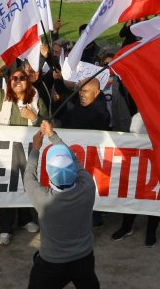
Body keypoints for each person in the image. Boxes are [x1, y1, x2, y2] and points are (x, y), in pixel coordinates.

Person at [0, 65, 48, 245]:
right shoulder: (2, 97)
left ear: (28, 81)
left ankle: (25, 219)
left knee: (26, 186)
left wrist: (34, 117)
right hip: (6, 155)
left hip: (28, 153)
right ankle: (5, 228)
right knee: (7, 189)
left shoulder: (37, 100)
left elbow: (49, 122)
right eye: (13, 78)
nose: (17, 81)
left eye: (21, 78)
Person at [24, 120, 99, 289]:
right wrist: (52, 135)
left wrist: (36, 147)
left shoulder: (42, 198)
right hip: (84, 257)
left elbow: (29, 175)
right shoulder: (87, 185)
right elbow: (74, 159)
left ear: (49, 174)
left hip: (51, 263)